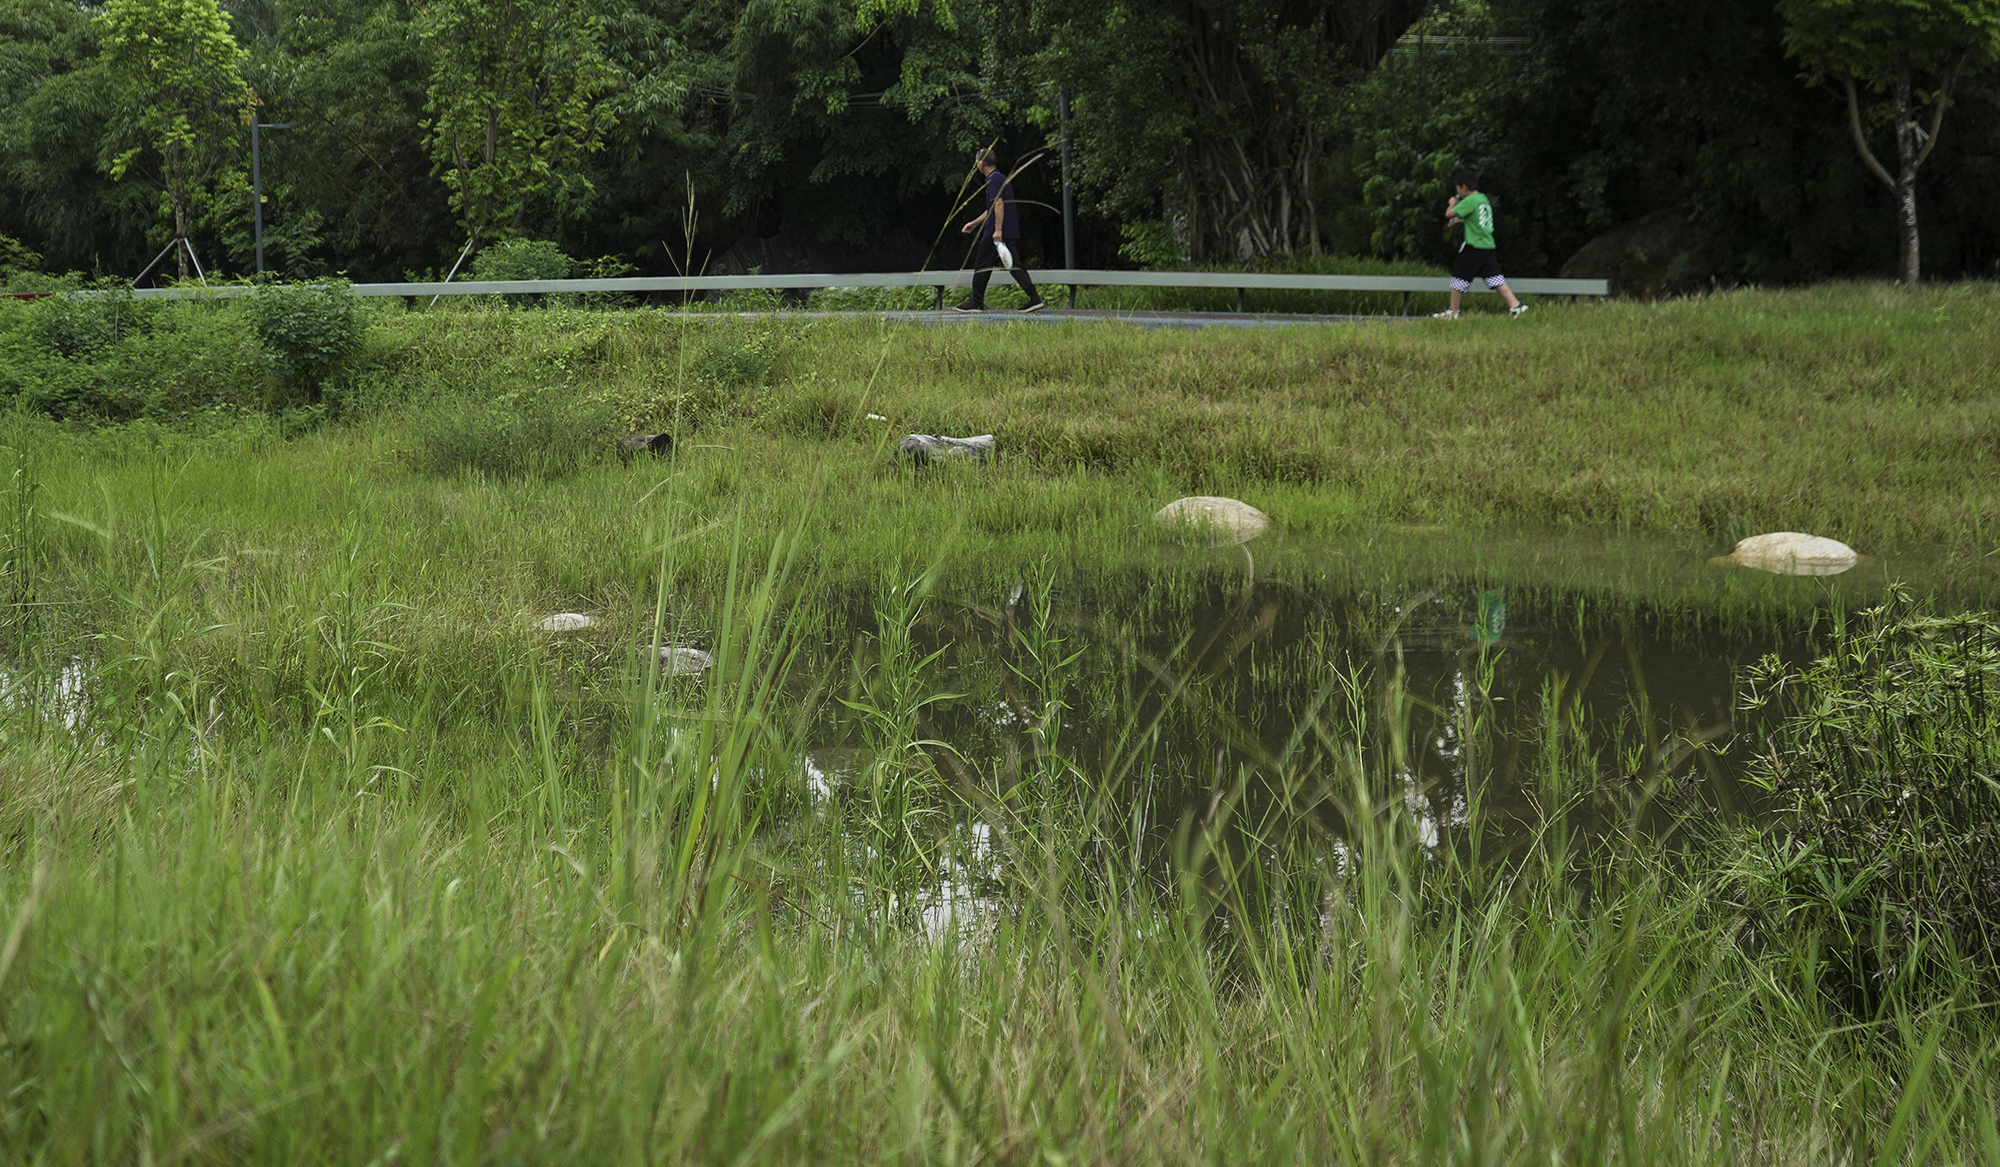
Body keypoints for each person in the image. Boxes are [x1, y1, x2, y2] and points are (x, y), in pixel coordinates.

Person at [953, 149, 1044, 313]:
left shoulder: (992, 180)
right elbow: (992, 208)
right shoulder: (1001, 178)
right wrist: (974, 223)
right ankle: (1034, 298)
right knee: (1013, 265)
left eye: (976, 162)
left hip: (996, 233)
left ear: (981, 163)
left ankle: (976, 302)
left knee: (982, 265)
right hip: (1006, 230)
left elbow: (999, 205)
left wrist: (997, 230)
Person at [1435, 169, 1527, 320]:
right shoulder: (1483, 199)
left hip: (1474, 245)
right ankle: (1516, 306)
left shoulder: (1470, 200)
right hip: (1487, 245)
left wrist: (1452, 203)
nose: (1457, 191)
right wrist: (1461, 221)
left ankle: (1453, 312)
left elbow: (1449, 214)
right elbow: (1478, 220)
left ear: (1463, 187)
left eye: (1457, 188)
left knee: (1458, 277)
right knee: (1495, 278)